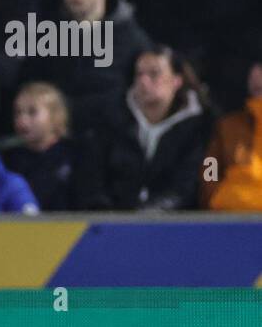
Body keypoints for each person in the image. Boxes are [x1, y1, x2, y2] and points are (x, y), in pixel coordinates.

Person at [74, 48, 211, 211]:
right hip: (113, 225)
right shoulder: (110, 121)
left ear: (176, 80)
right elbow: (91, 179)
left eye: (154, 74)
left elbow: (188, 185)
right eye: (139, 74)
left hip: (175, 225)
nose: (144, 81)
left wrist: (150, 215)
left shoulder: (200, 128)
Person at [0, 81, 79, 211]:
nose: (22, 121)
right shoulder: (8, 159)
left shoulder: (76, 156)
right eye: (18, 113)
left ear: (55, 116)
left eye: (32, 112)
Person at [202, 59, 262, 210]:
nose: (257, 75)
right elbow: (211, 164)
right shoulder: (228, 126)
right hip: (232, 214)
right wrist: (213, 194)